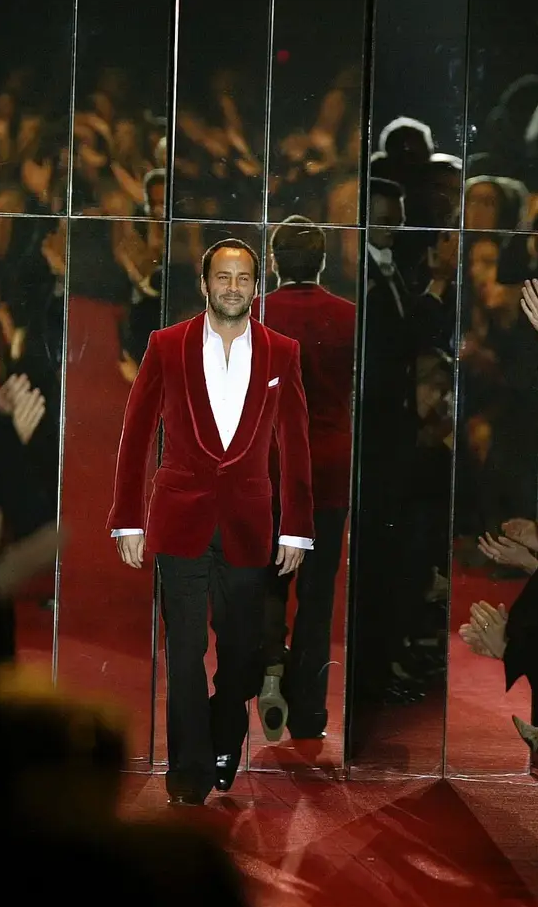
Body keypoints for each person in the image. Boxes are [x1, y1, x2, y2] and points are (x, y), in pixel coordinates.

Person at [108, 238, 315, 805]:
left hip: (250, 523)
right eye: (222, 277)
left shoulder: (281, 352)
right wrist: (127, 519)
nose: (232, 287)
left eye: (242, 278)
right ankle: (190, 769)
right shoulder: (166, 345)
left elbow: (296, 445)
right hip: (179, 519)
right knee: (185, 652)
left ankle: (227, 734)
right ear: (204, 284)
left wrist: (296, 527)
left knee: (243, 654)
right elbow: (136, 434)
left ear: (257, 285)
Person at [258, 218, 356, 743]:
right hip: (328, 470)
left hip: (267, 468)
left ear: (273, 261)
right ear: (322, 261)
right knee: (318, 596)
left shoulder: (254, 315)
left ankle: (271, 663)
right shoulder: (349, 318)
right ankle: (309, 715)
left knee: (265, 579)